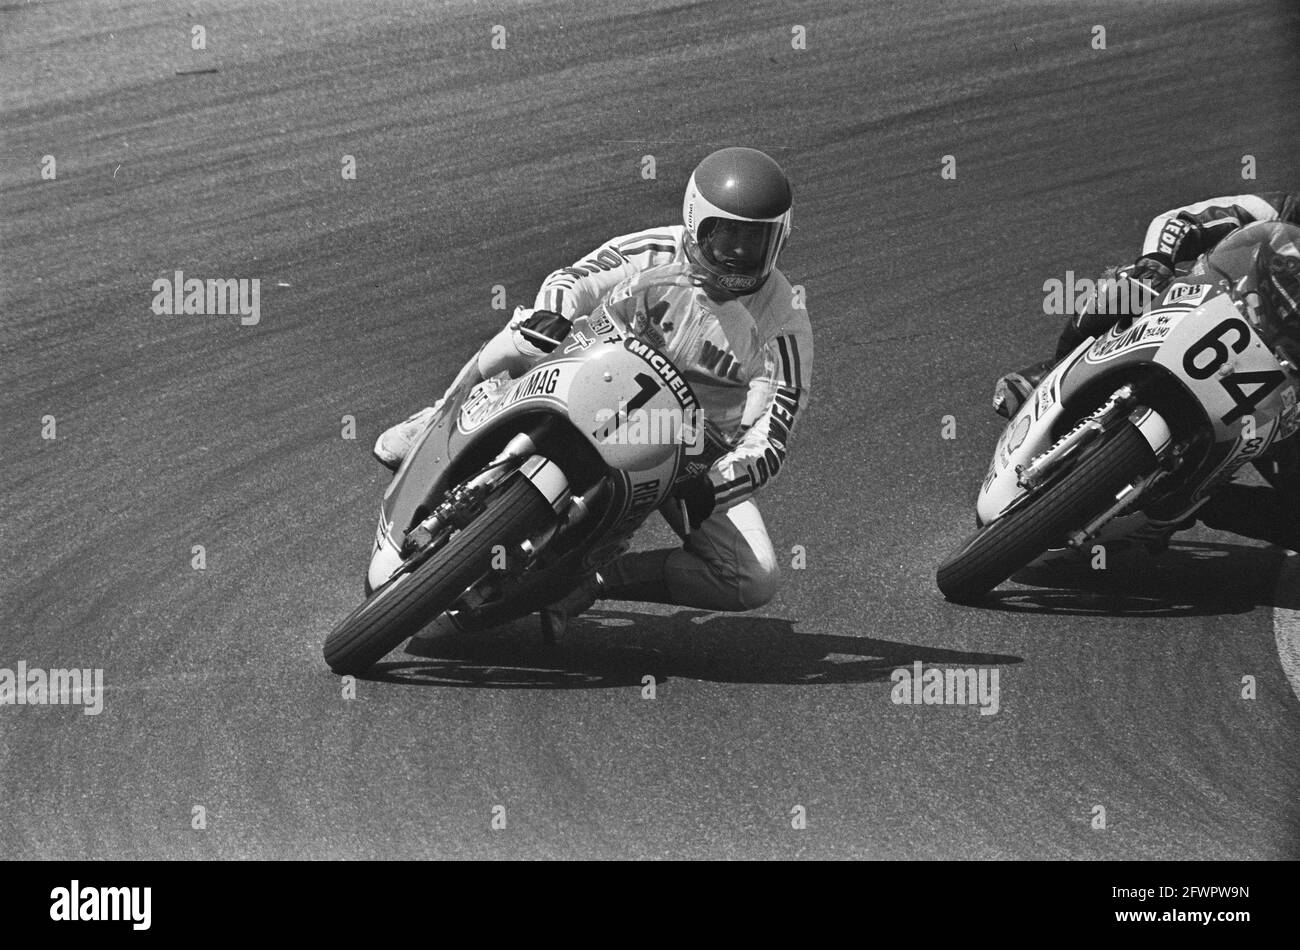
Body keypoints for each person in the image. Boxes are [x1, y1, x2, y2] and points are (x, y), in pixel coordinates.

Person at [374, 147, 814, 643]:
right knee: (523, 334)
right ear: (696, 222)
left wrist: (717, 484)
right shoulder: (656, 249)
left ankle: (592, 579)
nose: (737, 250)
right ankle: (440, 416)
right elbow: (575, 280)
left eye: (754, 237)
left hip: (680, 452)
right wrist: (553, 312)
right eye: (725, 232)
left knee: (754, 577)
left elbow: (772, 434)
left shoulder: (785, 323)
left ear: (779, 239)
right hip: (587, 378)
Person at [993, 192, 1300, 419]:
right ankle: (1053, 370)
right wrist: (1157, 261)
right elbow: (1177, 222)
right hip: (1197, 306)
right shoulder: (1261, 212)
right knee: (1132, 282)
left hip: (1275, 374)